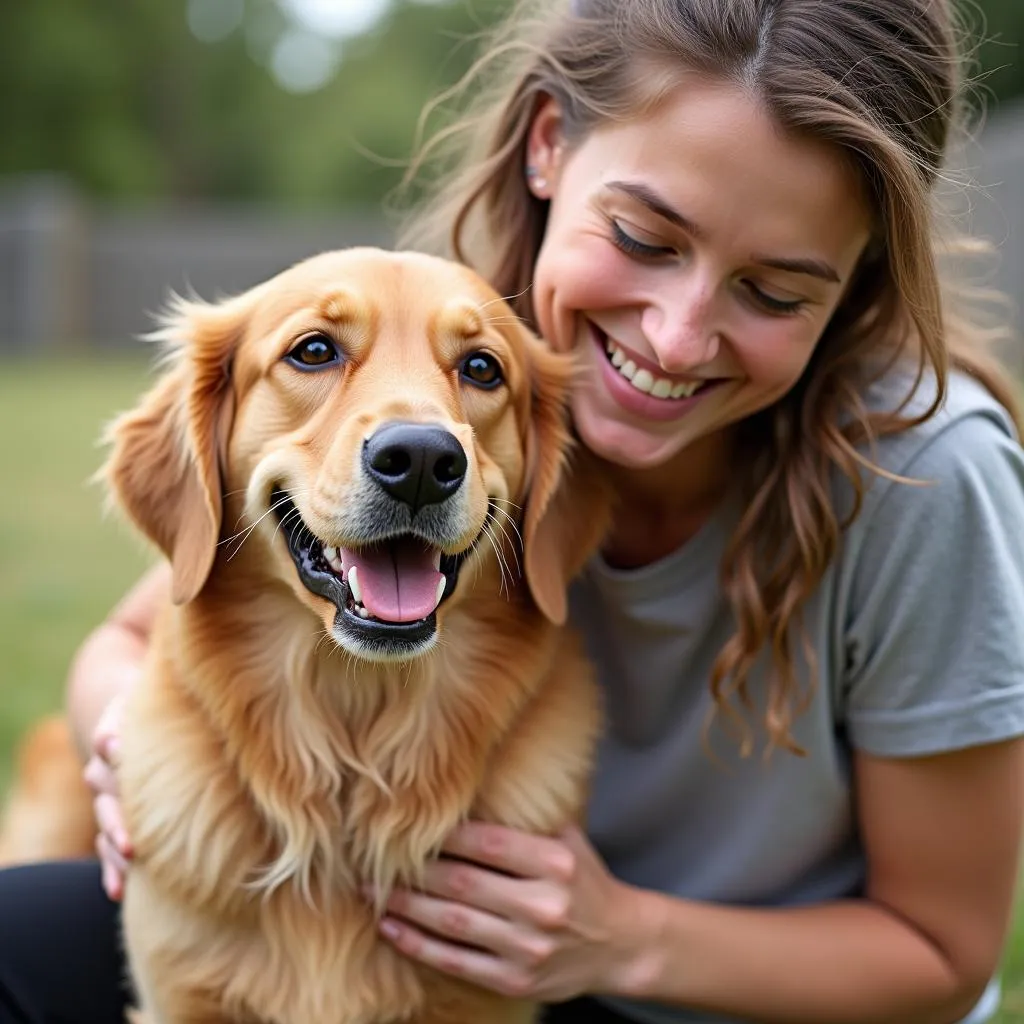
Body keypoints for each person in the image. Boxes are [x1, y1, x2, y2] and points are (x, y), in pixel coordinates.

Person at [3, 0, 1024, 1021]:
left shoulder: (930, 473)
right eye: (642, 236)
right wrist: (139, 757)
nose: (675, 338)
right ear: (548, 145)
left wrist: (623, 939)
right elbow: (133, 637)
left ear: (853, 284)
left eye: (773, 291)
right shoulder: (464, 345)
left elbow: (944, 953)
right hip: (493, 938)